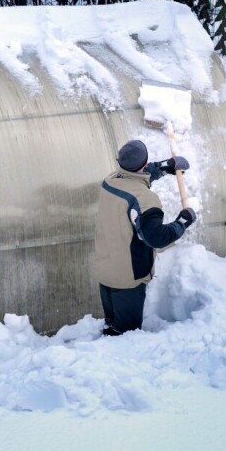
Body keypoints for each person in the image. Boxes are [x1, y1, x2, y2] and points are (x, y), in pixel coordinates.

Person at [93, 139, 196, 336]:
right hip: (127, 279)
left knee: (111, 325)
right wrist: (182, 223)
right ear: (144, 164)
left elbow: (137, 178)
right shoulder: (145, 200)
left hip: (106, 270)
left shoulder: (111, 180)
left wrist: (165, 167)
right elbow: (156, 238)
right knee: (125, 337)